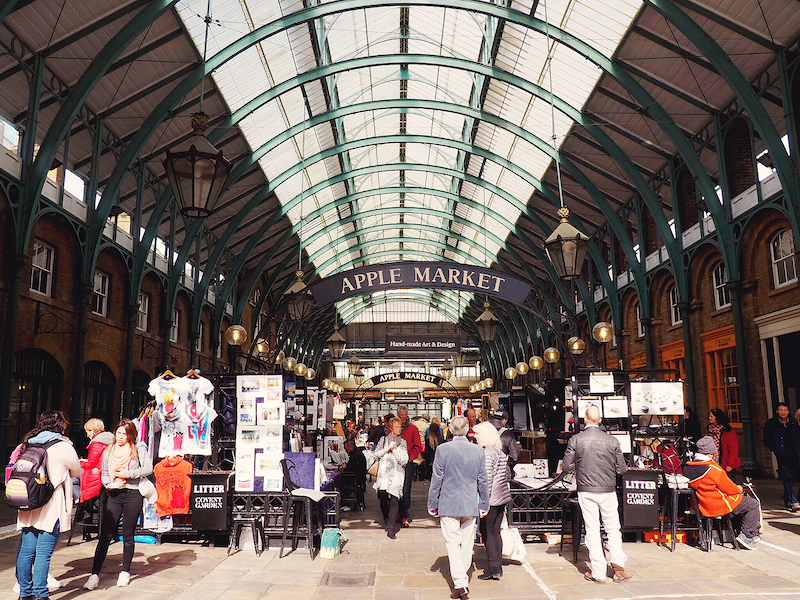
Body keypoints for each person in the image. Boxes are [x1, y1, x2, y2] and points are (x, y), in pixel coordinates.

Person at [15, 410, 81, 600]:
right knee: (44, 553)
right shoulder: (63, 445)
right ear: (59, 425)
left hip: (28, 502)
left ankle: (25, 593)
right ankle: (41, 594)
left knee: (26, 551)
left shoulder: (29, 442)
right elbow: (77, 471)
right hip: (51, 504)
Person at [562, 406, 631, 584]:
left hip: (586, 490)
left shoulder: (576, 440)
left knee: (592, 530)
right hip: (608, 490)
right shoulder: (612, 441)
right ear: (600, 420)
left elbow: (567, 467)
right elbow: (621, 469)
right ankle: (619, 567)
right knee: (613, 528)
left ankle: (598, 572)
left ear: (585, 420)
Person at [84, 419, 152, 590]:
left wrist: (127, 474)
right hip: (114, 493)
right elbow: (105, 473)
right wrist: (108, 483)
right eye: (119, 433)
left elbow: (148, 468)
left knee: (128, 534)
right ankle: (94, 575)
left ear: (131, 435)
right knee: (105, 535)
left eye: (125, 434)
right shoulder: (109, 451)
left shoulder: (139, 447)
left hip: (132, 493)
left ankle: (125, 571)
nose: (121, 437)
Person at [428, 415, 489, 600]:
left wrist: (432, 503)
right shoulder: (478, 451)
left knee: (453, 543)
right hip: (470, 502)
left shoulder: (442, 450)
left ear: (451, 430)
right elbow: (483, 480)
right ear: (467, 429)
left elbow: (437, 478)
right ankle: (462, 580)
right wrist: (484, 503)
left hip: (448, 502)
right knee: (467, 542)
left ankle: (460, 584)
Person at [685, 436, 761, 549]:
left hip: (702, 503)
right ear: (710, 454)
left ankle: (743, 532)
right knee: (752, 503)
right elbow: (729, 488)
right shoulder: (713, 469)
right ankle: (747, 536)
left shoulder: (688, 468)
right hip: (717, 504)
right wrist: (739, 489)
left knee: (742, 503)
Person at [473, 421, 511, 581]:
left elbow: (486, 479)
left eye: (477, 434)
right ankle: (497, 566)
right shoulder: (499, 452)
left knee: (488, 532)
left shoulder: (487, 453)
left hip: (491, 499)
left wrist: (483, 501)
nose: (475, 437)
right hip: (501, 497)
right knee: (495, 531)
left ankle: (493, 567)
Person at [373, 417, 408, 540]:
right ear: (391, 428)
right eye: (397, 427)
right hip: (383, 475)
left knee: (394, 500)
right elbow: (375, 454)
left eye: (400, 427)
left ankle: (391, 528)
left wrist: (395, 450)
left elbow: (404, 460)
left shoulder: (402, 442)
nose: (399, 429)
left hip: (396, 475)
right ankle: (386, 518)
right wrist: (387, 449)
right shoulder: (383, 440)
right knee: (382, 498)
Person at [763, 402, 800, 511]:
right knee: (786, 477)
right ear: (777, 411)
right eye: (781, 410)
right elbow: (767, 439)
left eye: (785, 410)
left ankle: (787, 498)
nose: (783, 412)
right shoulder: (771, 424)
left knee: (791, 477)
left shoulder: (793, 422)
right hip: (782, 454)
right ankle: (793, 501)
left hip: (794, 453)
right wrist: (775, 449)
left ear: (788, 411)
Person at [397, 405, 423, 526]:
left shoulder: (413, 428)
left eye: (405, 415)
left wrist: (410, 458)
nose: (403, 417)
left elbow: (418, 445)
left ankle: (405, 515)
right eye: (401, 415)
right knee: (395, 489)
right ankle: (396, 512)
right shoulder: (393, 427)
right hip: (395, 463)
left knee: (406, 490)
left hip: (407, 463)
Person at [79, 419, 114, 503]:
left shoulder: (97, 443)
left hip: (97, 474)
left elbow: (90, 464)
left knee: (71, 479)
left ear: (93, 430)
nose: (87, 435)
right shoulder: (107, 440)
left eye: (88, 431)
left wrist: (79, 462)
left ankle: (79, 501)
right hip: (105, 471)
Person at [708, 409, 740, 479]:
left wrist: (730, 464)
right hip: (714, 459)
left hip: (724, 461)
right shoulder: (710, 430)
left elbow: (733, 449)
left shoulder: (728, 431)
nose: (709, 418)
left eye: (711, 416)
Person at [342, 438, 367, 508]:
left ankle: (344, 502)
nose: (346, 451)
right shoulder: (356, 454)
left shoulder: (356, 455)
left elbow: (352, 469)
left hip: (356, 479)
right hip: (358, 477)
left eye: (346, 449)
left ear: (351, 447)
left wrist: (345, 467)